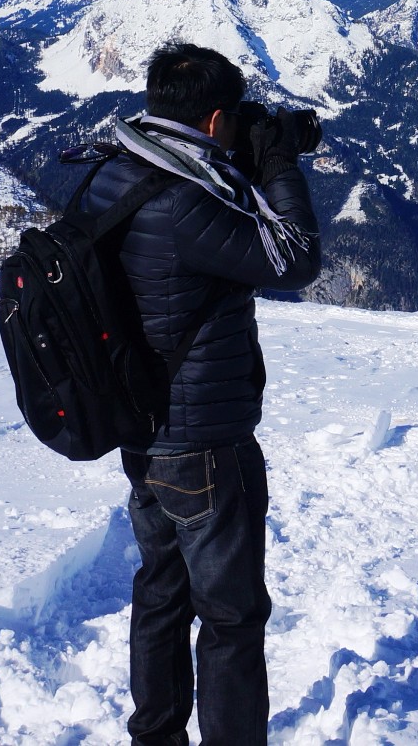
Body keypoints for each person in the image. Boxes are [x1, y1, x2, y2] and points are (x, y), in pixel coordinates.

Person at [79, 42, 322, 746]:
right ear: (216, 118)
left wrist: (237, 156)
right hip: (207, 443)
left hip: (144, 431)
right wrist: (276, 162)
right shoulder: (188, 203)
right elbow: (296, 256)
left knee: (161, 593)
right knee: (230, 620)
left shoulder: (112, 172)